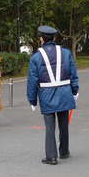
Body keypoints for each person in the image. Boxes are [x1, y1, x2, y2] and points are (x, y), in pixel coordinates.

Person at [27, 25, 79, 165]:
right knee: (63, 124)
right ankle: (64, 151)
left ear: (41, 39)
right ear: (54, 38)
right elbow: (73, 74)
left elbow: (32, 81)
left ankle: (51, 156)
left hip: (47, 95)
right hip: (64, 93)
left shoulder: (36, 57)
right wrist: (75, 91)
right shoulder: (66, 53)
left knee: (50, 127)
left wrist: (32, 100)